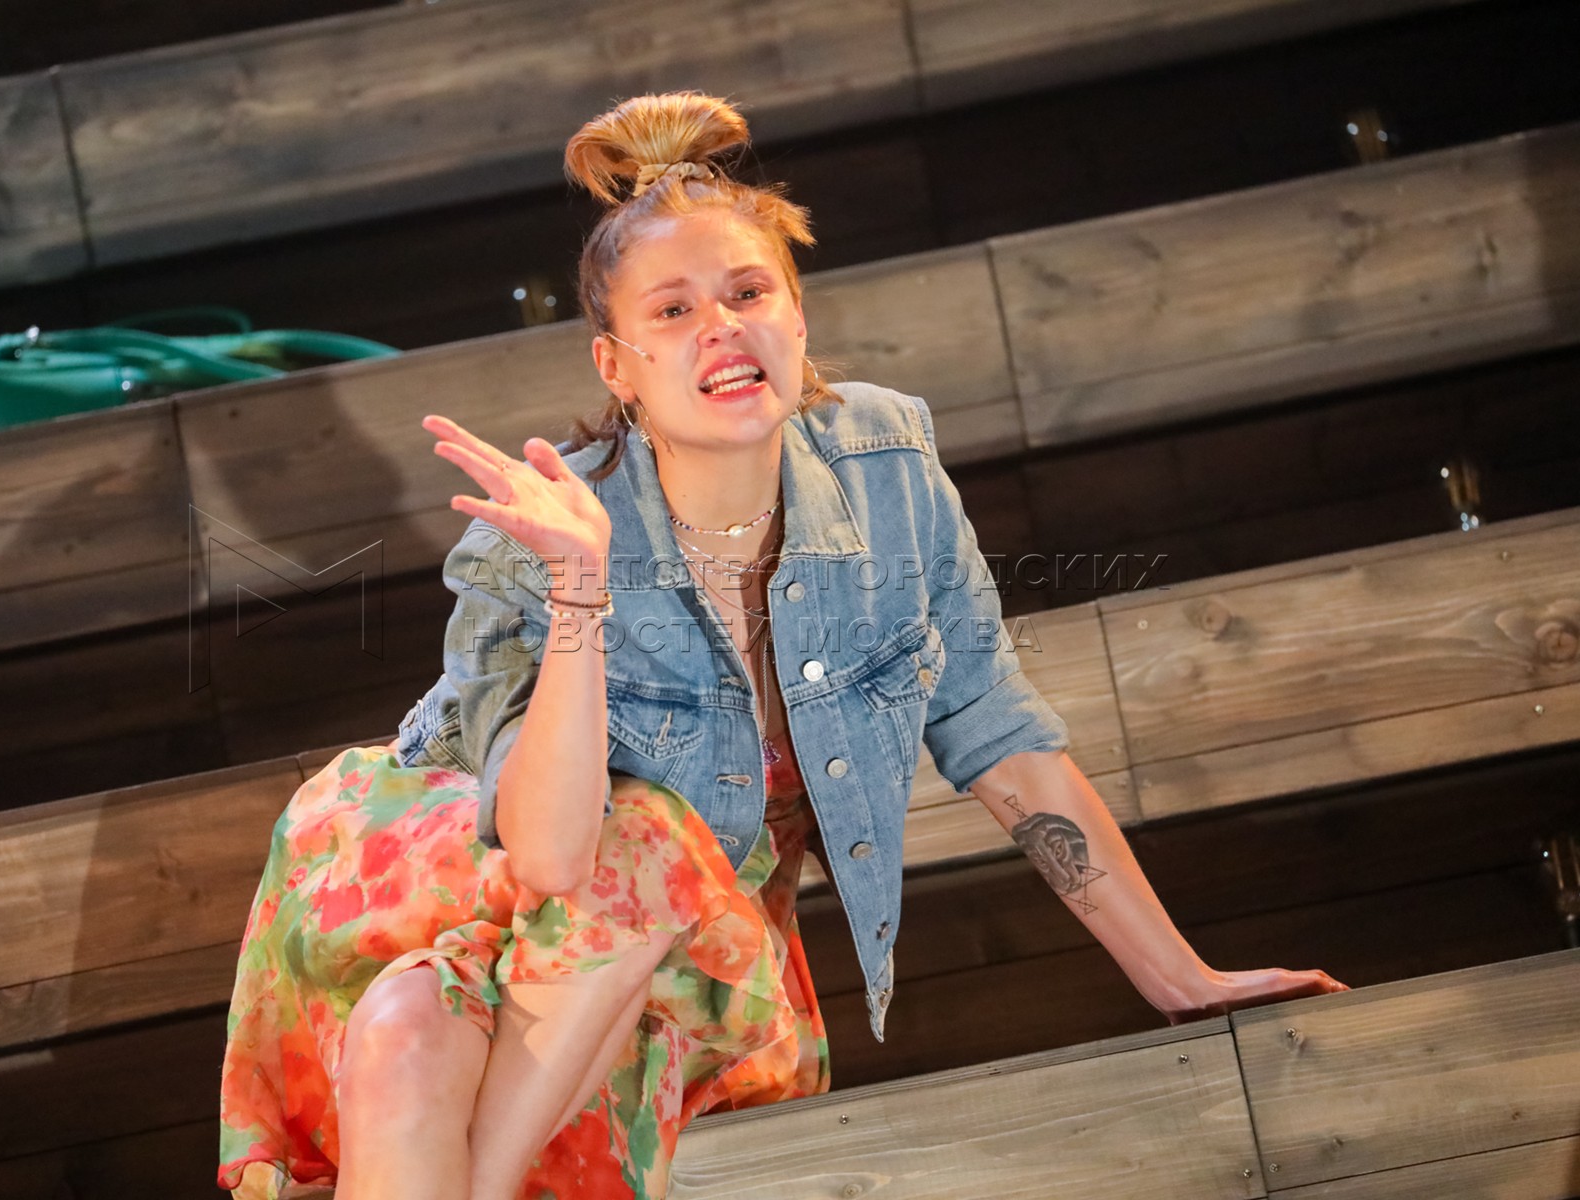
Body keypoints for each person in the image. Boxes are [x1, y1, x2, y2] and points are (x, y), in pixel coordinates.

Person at [217, 91, 1348, 1200]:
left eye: (748, 291)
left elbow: (997, 732)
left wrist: (1181, 978)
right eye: (672, 311)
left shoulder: (886, 466)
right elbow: (554, 856)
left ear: (797, 319)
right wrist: (579, 589)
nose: (721, 325)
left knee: (477, 992)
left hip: (681, 962)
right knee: (432, 1004)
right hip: (457, 881)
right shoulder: (545, 532)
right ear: (617, 367)